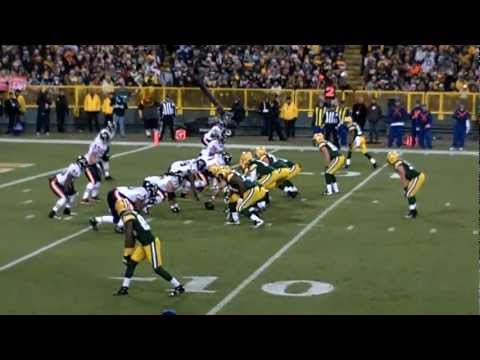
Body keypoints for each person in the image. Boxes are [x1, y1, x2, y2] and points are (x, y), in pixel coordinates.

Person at [112, 198, 185, 297]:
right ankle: (124, 288)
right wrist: (129, 253)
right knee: (131, 264)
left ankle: (178, 286)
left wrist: (126, 254)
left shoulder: (127, 216)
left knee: (157, 268)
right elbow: (132, 237)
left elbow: (129, 237)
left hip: (151, 244)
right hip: (144, 244)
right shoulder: (132, 213)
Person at [386, 151, 426, 219]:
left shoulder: (398, 165)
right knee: (410, 193)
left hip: (417, 178)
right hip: (416, 178)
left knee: (409, 194)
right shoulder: (399, 163)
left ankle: (413, 213)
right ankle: (413, 210)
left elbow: (403, 177)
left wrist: (405, 189)